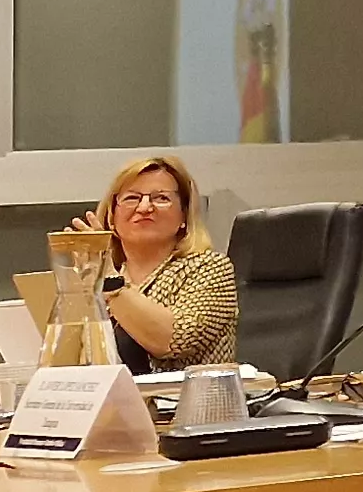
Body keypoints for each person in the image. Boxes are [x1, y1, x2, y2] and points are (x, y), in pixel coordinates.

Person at [70, 154, 238, 372]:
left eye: (161, 198)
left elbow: (173, 341)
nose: (145, 207)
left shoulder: (211, 269)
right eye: (132, 198)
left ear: (184, 216)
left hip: (184, 404)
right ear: (112, 217)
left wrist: (110, 281)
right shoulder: (95, 277)